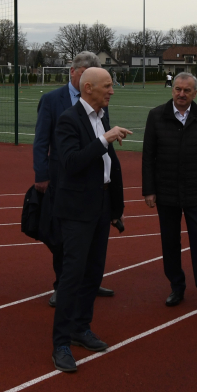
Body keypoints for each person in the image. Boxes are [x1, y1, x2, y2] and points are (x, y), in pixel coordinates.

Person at [51, 68, 130, 373]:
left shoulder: (101, 116)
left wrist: (115, 207)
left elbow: (109, 166)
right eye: (107, 86)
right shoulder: (69, 120)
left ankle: (81, 327)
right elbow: (71, 163)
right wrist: (105, 140)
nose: (112, 91)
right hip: (77, 210)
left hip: (101, 205)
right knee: (73, 275)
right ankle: (60, 343)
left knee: (94, 272)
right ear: (88, 88)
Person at [32, 52, 114, 306]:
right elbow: (41, 141)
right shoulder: (52, 100)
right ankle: (62, 285)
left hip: (91, 182)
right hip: (61, 179)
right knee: (64, 237)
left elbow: (102, 140)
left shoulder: (100, 103)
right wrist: (42, 174)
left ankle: (90, 280)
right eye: (86, 71)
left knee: (91, 236)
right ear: (74, 72)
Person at [141, 72, 197, 313]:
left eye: (187, 90)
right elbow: (148, 157)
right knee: (170, 242)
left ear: (195, 93)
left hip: (196, 190)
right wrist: (149, 189)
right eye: (178, 89)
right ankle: (176, 286)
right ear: (172, 90)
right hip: (165, 191)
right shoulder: (156, 116)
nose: (181, 94)